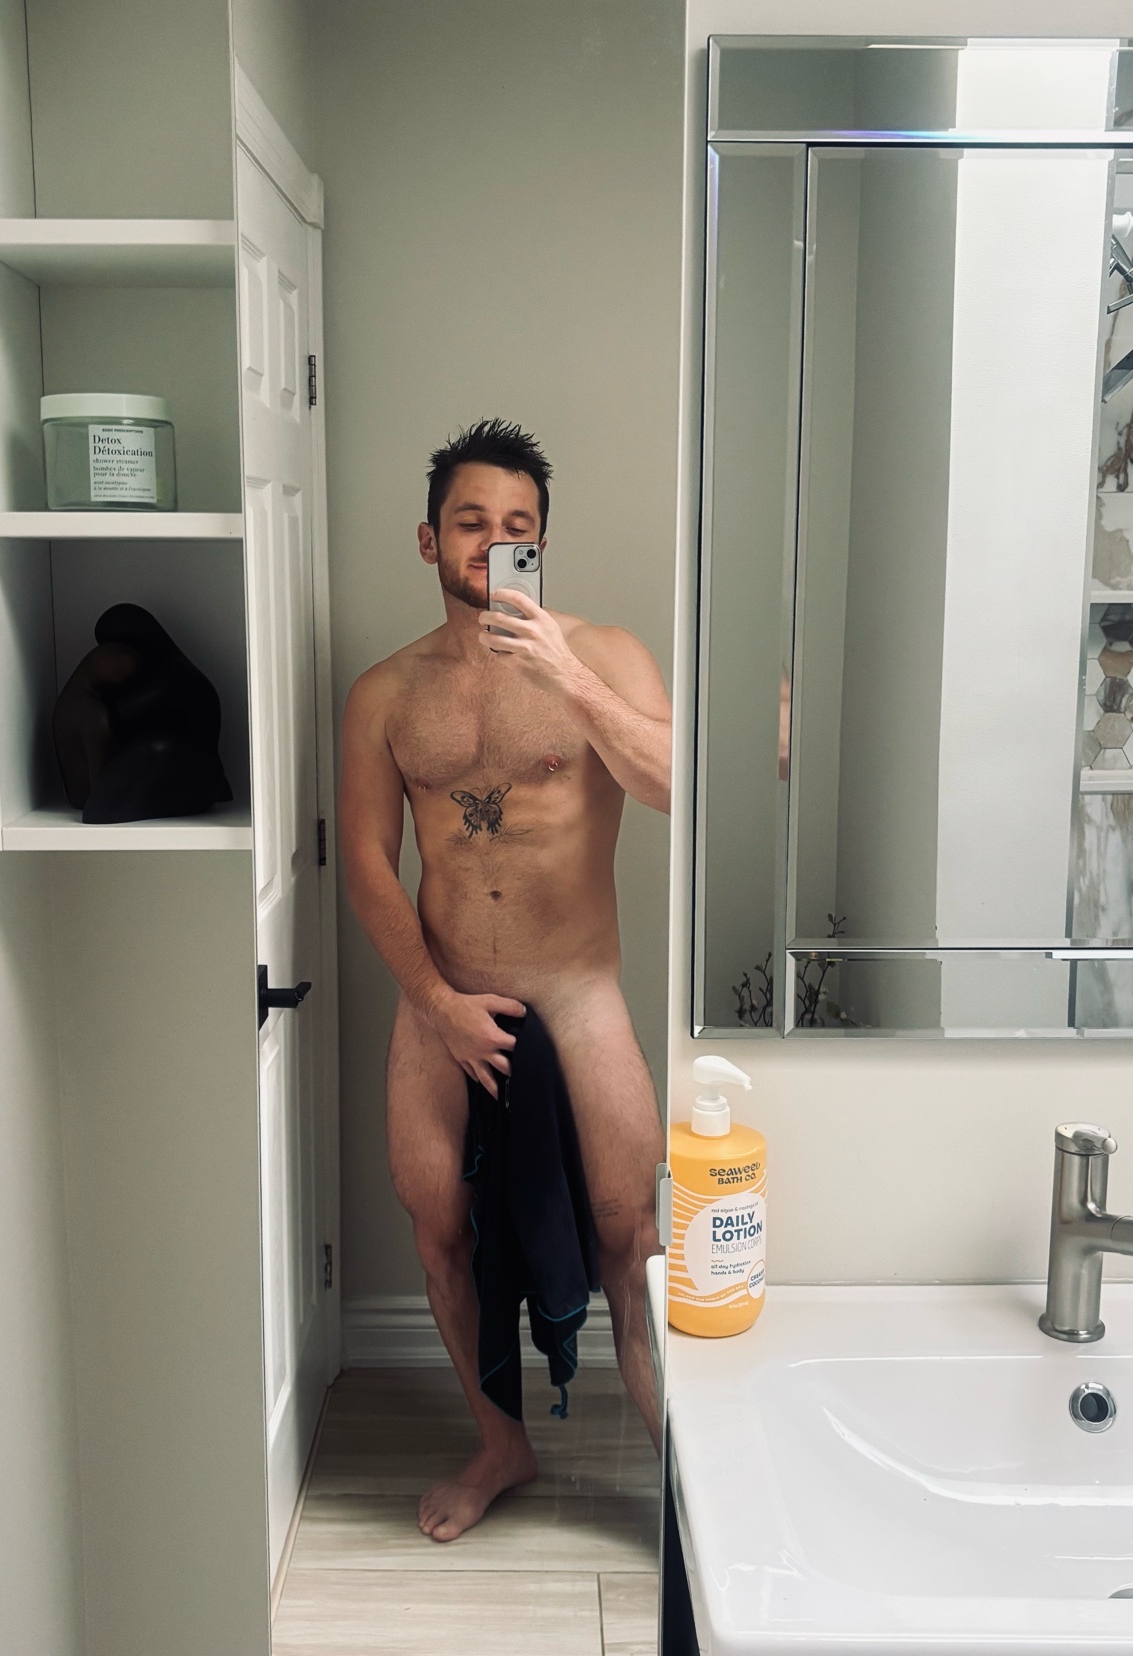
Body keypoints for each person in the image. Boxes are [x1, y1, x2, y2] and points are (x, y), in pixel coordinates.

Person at [340, 418, 672, 1542]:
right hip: (443, 991)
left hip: (577, 988)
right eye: (470, 522)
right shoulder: (385, 694)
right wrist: (436, 1005)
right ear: (428, 539)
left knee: (629, 1235)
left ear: (541, 542)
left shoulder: (604, 655)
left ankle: (683, 1485)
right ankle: (502, 1445)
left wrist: (566, 678)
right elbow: (368, 865)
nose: (492, 542)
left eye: (516, 526)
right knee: (438, 1222)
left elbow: (677, 783)